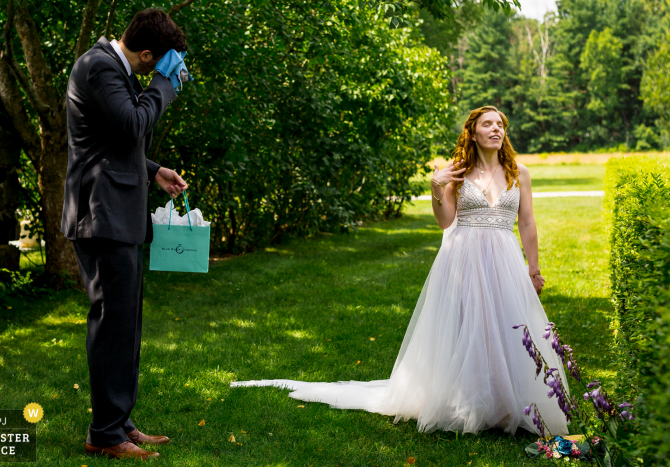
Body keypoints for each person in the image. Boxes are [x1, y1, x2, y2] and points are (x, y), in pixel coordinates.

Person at [231, 106, 569, 436]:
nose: (496, 129)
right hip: (465, 257)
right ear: (473, 132)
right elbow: (446, 221)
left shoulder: (519, 173)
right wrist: (437, 189)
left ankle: (511, 401)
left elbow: (526, 221)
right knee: (472, 327)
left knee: (509, 325)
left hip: (505, 258)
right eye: (488, 124)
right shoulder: (457, 172)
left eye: (500, 124)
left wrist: (534, 268)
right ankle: (473, 402)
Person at [61, 8, 189, 460]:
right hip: (100, 216)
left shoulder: (114, 69)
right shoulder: (98, 66)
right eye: (158, 64)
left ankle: (121, 421)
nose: (159, 72)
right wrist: (164, 86)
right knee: (112, 323)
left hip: (119, 214)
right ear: (149, 53)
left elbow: (115, 138)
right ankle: (104, 434)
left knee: (126, 326)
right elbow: (135, 122)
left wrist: (154, 171)